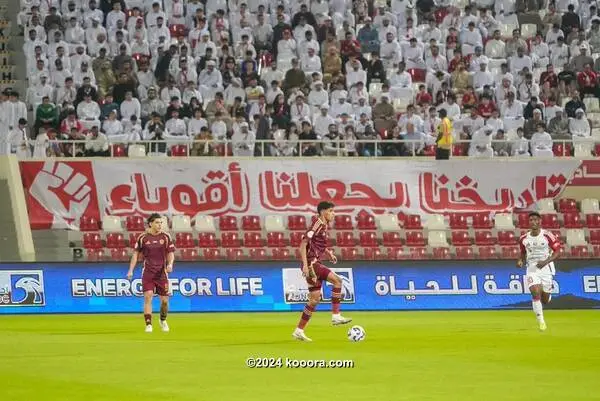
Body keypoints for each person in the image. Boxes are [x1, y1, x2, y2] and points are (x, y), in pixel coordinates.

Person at [293, 201, 352, 342]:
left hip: (314, 263)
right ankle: (336, 316)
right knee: (338, 281)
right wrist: (306, 266)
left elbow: (316, 244)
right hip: (312, 264)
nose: (333, 214)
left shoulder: (322, 225)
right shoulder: (317, 224)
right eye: (331, 211)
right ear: (323, 212)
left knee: (314, 300)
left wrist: (329, 253)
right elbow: (303, 244)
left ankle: (298, 331)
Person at [127, 213, 175, 333]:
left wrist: (170, 264)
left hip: (161, 273)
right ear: (151, 223)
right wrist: (131, 270)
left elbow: (170, 253)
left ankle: (163, 320)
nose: (160, 225)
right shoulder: (143, 238)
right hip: (148, 273)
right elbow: (135, 254)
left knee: (164, 301)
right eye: (157, 223)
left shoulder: (166, 237)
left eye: (161, 223)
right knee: (148, 296)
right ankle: (148, 324)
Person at [517, 212, 561, 331]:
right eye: (531, 220)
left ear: (540, 221)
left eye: (536, 219)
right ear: (529, 222)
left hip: (546, 268)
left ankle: (548, 293)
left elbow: (557, 251)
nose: (533, 222)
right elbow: (523, 252)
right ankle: (541, 322)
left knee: (545, 300)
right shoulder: (523, 238)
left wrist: (546, 261)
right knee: (535, 292)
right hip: (532, 268)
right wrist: (521, 260)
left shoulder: (548, 235)